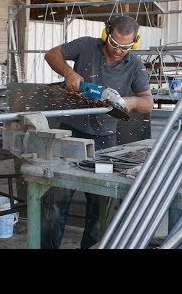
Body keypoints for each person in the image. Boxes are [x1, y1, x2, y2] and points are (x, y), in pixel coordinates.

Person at [42, 15, 154, 249]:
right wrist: (69, 73)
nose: (118, 51)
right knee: (55, 202)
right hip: (70, 134)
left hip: (106, 143)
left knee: (99, 207)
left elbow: (148, 102)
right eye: (114, 43)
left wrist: (130, 102)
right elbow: (51, 54)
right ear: (106, 34)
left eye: (125, 47)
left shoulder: (134, 64)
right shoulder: (86, 45)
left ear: (134, 43)